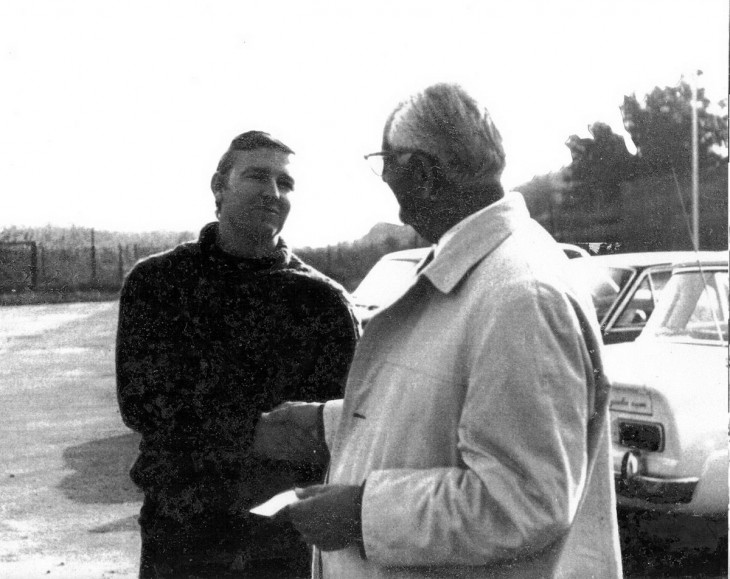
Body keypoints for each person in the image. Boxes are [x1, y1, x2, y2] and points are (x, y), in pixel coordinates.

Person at [254, 84, 623, 578]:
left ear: (423, 173)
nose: (391, 192)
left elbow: (524, 501)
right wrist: (331, 422)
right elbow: (451, 406)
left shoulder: (521, 296)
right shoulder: (491, 273)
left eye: (388, 166)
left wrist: (361, 515)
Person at [116, 130, 359, 578]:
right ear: (219, 185)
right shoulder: (158, 283)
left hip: (280, 541)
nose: (272, 193)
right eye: (257, 177)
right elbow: (141, 404)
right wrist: (253, 432)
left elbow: (346, 423)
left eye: (284, 184)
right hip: (181, 533)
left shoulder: (322, 302)